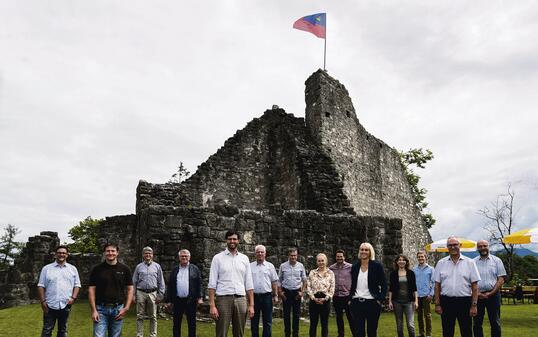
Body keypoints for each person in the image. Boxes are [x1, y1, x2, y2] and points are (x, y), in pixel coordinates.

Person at [208, 230, 254, 337]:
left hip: (241, 299)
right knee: (221, 333)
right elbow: (212, 283)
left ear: (238, 241)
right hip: (223, 299)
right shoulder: (217, 258)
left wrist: (251, 305)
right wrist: (212, 305)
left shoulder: (244, 259)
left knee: (239, 333)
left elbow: (249, 283)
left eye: (234, 239)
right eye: (230, 239)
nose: (232, 241)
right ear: (226, 240)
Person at [433, 236, 480, 337]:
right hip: (446, 302)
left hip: (465, 302)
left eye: (455, 244)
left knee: (466, 331)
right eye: (450, 245)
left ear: (460, 245)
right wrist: (437, 304)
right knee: (447, 331)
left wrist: (474, 305)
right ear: (447, 247)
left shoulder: (470, 263)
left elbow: (475, 287)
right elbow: (437, 286)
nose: (453, 247)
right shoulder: (441, 263)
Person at [88, 243, 134, 337]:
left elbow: (130, 289)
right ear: (104, 253)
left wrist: (126, 307)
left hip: (118, 309)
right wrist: (93, 310)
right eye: (108, 251)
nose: (110, 253)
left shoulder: (125, 269)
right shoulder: (97, 269)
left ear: (117, 253)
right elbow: (91, 290)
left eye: (113, 251)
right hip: (100, 309)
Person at [37, 245, 81, 337]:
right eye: (59, 253)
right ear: (55, 254)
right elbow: (41, 286)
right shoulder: (46, 269)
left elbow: (77, 285)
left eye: (64, 253)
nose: (62, 254)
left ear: (67, 255)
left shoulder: (72, 269)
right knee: (47, 330)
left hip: (66, 304)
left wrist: (73, 298)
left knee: (63, 330)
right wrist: (43, 302)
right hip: (49, 304)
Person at [349, 242, 387, 337]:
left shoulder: (377, 267)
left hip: (372, 303)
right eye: (362, 249)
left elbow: (384, 284)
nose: (364, 251)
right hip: (357, 302)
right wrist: (350, 299)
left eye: (366, 250)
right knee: (358, 333)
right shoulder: (355, 267)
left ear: (370, 252)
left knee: (372, 332)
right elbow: (352, 284)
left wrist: (380, 299)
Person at [166, 249, 203, 337]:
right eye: (182, 256)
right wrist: (169, 300)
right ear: (179, 257)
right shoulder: (175, 270)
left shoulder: (195, 269)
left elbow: (199, 283)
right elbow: (170, 285)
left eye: (186, 256)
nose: (184, 257)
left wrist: (200, 297)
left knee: (192, 324)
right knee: (176, 324)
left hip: (191, 300)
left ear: (189, 257)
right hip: (177, 300)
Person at [473, 240, 506, 337]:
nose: (483, 248)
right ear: (477, 248)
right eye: (480, 246)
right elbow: (470, 280)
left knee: (495, 321)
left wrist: (491, 292)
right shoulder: (473, 262)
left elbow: (501, 278)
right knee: (477, 323)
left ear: (488, 246)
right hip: (477, 296)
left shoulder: (497, 260)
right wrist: (478, 293)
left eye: (484, 246)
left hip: (494, 295)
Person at [132, 246, 165, 337]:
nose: (148, 255)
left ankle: (153, 334)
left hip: (153, 293)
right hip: (140, 292)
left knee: (153, 316)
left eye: (150, 253)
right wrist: (133, 295)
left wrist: (160, 294)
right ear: (143, 255)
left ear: (152, 255)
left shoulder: (157, 266)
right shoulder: (139, 267)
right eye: (146, 253)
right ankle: (139, 334)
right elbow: (134, 281)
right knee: (139, 316)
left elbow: (161, 281)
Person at [250, 245, 279, 337]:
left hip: (267, 297)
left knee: (267, 322)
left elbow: (274, 282)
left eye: (262, 252)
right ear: (255, 253)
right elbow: (247, 282)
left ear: (265, 253)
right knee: (254, 322)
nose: (260, 253)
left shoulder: (270, 266)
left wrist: (275, 295)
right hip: (254, 297)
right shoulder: (250, 266)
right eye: (258, 252)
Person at [278, 247, 307, 337]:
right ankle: (287, 334)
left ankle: (295, 334)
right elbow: (279, 280)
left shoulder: (301, 266)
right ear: (288, 256)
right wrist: (280, 292)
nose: (293, 257)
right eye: (291, 255)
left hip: (296, 293)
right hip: (286, 292)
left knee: (296, 315)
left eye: (295, 255)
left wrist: (302, 292)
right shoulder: (283, 266)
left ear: (297, 256)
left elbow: (305, 280)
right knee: (286, 315)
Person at [388, 254, 418, 337]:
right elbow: (391, 289)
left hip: (409, 302)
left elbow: (414, 288)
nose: (401, 261)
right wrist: (390, 301)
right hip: (397, 302)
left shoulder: (411, 273)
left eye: (403, 260)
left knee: (410, 325)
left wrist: (416, 301)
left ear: (406, 262)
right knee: (399, 325)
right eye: (399, 260)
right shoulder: (393, 274)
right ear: (397, 262)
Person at [307, 253, 335, 337]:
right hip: (314, 300)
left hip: (325, 301)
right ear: (316, 262)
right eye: (319, 261)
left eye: (322, 260)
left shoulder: (331, 273)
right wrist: (313, 298)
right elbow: (308, 287)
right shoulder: (312, 272)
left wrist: (325, 299)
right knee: (313, 324)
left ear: (326, 261)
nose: (321, 262)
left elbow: (332, 288)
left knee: (324, 324)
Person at [329, 249, 355, 337]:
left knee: (350, 317)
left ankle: (355, 334)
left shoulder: (350, 267)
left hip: (347, 295)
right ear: (335, 257)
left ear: (344, 257)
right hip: (336, 296)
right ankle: (341, 334)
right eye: (338, 256)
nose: (339, 258)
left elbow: (355, 280)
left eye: (341, 256)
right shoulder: (331, 268)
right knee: (339, 317)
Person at [413, 250, 435, 337]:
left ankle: (428, 334)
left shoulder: (431, 269)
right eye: (419, 257)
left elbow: (434, 282)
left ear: (425, 257)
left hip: (426, 295)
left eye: (422, 256)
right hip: (417, 296)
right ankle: (421, 333)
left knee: (428, 315)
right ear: (417, 258)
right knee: (419, 316)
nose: (420, 258)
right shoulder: (414, 269)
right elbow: (413, 283)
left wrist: (431, 294)